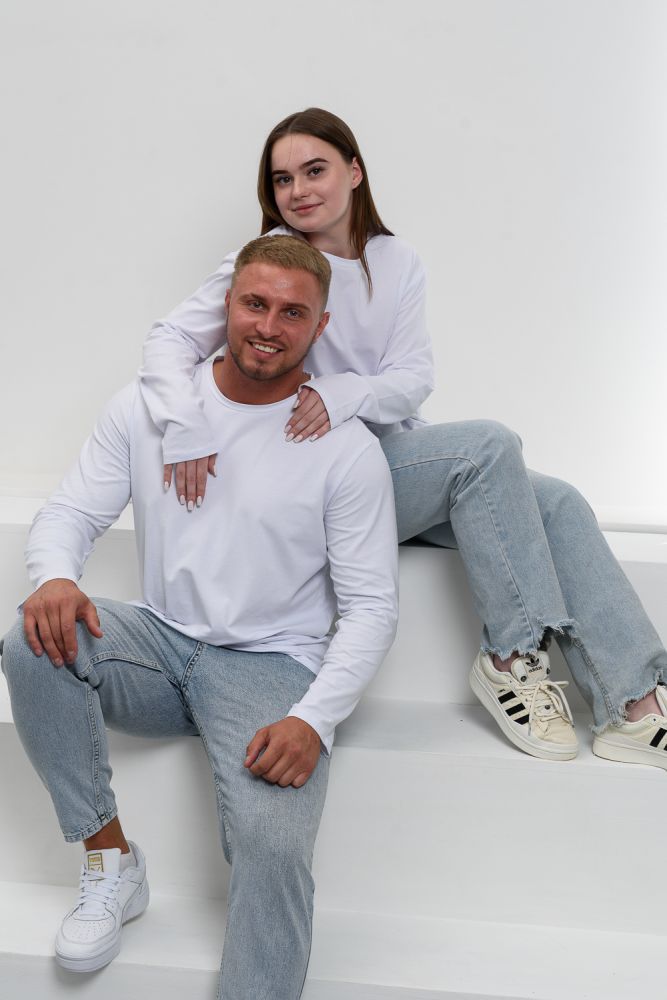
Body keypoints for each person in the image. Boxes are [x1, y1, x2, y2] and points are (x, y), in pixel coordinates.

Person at [139, 107, 667, 768]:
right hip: (317, 479)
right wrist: (184, 424)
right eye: (282, 179)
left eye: (314, 171)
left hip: (391, 467)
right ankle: (511, 657)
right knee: (486, 446)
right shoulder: (271, 263)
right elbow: (168, 338)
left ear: (354, 171)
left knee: (558, 501)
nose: (297, 190)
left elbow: (413, 378)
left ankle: (634, 706)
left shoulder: (396, 261)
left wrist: (346, 392)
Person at [0, 235, 398, 999]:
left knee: (273, 848)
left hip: (272, 669)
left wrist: (312, 719)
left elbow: (372, 607)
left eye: (292, 313)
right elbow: (71, 512)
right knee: (33, 637)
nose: (268, 326)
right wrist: (55, 577)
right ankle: (110, 859)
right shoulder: (150, 408)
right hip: (159, 642)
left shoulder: (346, 450)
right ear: (226, 305)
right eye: (255, 304)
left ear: (319, 327)